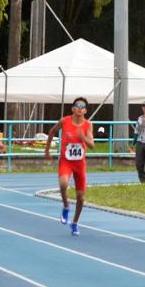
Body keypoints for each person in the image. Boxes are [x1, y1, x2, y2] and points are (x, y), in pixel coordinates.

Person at [45, 97, 94, 236]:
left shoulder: (87, 125)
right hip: (66, 161)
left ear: (85, 110)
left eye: (82, 106)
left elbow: (92, 144)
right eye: (77, 105)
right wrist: (47, 150)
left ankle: (75, 223)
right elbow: (52, 132)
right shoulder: (64, 121)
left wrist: (83, 138)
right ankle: (66, 206)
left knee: (80, 197)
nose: (79, 108)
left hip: (79, 163)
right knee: (63, 183)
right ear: (72, 108)